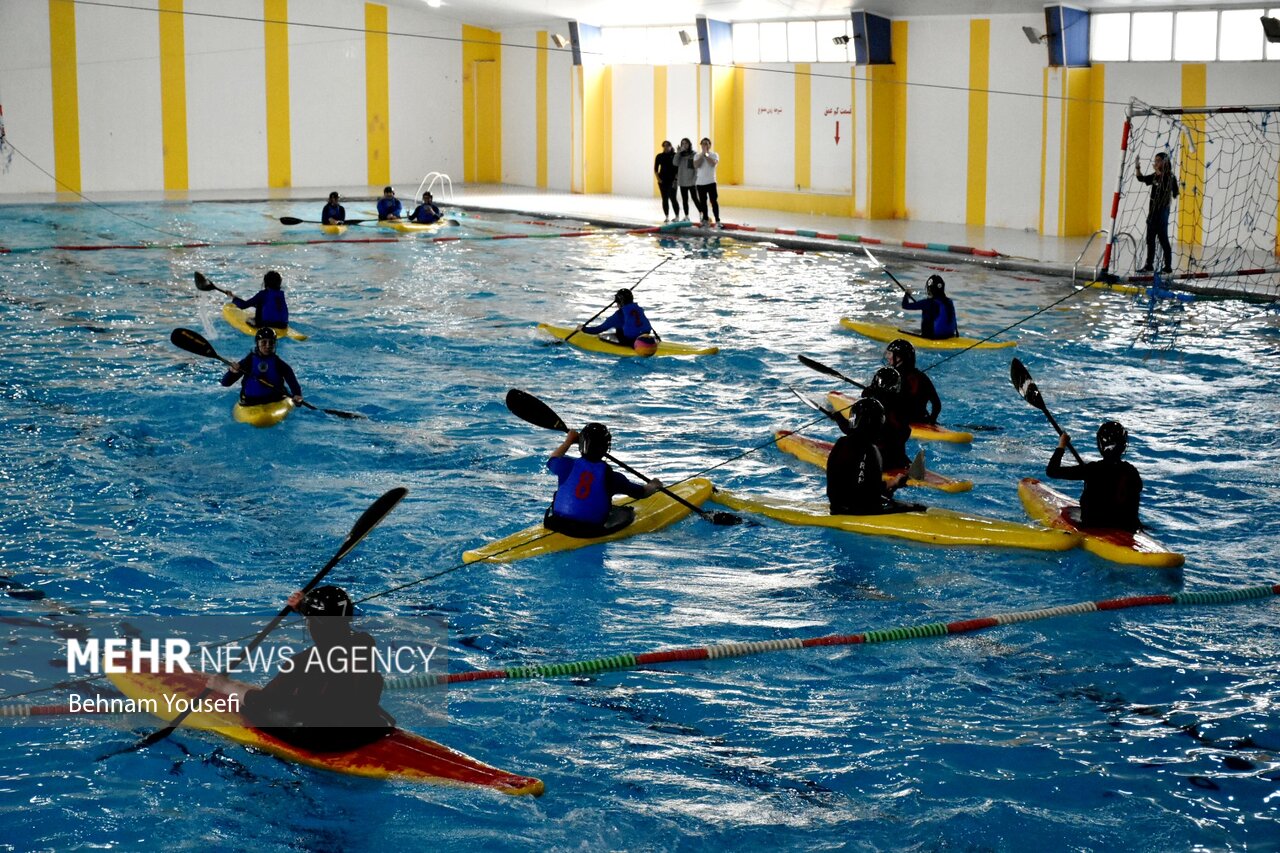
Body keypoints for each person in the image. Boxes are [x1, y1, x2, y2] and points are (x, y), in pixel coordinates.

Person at [209, 586, 395, 753]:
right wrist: (305, 606)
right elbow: (330, 625)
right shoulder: (365, 643)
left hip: (326, 740)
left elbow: (264, 701)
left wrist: (225, 686)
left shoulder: (302, 662)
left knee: (251, 708)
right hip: (368, 728)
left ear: (313, 624)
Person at [544, 422, 662, 537]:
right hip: (590, 531)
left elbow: (552, 458)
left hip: (556, 522)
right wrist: (653, 485)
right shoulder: (612, 477)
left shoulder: (566, 465)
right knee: (627, 513)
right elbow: (642, 493)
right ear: (606, 448)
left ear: (581, 445)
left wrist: (568, 441)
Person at [827, 397, 919, 516]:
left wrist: (892, 483)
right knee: (919, 508)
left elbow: (857, 486)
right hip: (860, 511)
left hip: (836, 507)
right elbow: (868, 494)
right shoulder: (870, 449)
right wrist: (894, 484)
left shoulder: (840, 443)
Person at [1046, 421, 1143, 532]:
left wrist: (1061, 445)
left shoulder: (1091, 469)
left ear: (1100, 445)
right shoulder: (1132, 471)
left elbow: (1052, 471)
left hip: (1093, 526)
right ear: (1124, 445)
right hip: (1127, 527)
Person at [221, 327, 304, 407]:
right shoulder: (248, 362)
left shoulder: (280, 364)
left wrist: (297, 397)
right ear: (257, 343)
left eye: (271, 343)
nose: (267, 346)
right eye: (264, 342)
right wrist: (231, 372)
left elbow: (295, 388)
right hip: (250, 402)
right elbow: (225, 383)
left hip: (275, 401)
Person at [1135, 152, 1179, 274]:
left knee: (1163, 239)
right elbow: (1141, 178)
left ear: (1165, 162)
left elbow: (1166, 186)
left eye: (1158, 160)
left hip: (1162, 212)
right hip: (1153, 212)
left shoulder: (1170, 176)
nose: (1156, 163)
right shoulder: (1155, 176)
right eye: (1155, 160)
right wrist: (1137, 167)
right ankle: (1149, 265)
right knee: (1150, 239)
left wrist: (1159, 173)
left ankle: (1168, 266)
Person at [860, 366, 911, 470]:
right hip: (897, 457)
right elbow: (906, 432)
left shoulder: (873, 407)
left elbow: (852, 431)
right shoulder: (901, 403)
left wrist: (838, 418)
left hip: (878, 460)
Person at [885, 339, 941, 425]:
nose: (887, 357)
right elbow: (937, 404)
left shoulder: (890, 376)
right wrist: (931, 421)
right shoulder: (923, 377)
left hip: (899, 421)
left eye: (889, 353)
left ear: (900, 357)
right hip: (922, 420)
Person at [579, 288, 656, 349]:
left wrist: (583, 329)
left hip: (633, 342)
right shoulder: (638, 308)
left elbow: (598, 329)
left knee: (619, 328)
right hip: (647, 336)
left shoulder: (618, 315)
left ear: (618, 303)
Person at [901, 275, 958, 340]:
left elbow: (905, 305)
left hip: (933, 337)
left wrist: (907, 295)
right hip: (950, 335)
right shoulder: (949, 301)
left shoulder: (927, 303)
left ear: (930, 289)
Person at [693, 137, 721, 227]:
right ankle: (705, 219)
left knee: (714, 201)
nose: (705, 145)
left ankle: (717, 220)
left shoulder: (714, 154)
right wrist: (703, 155)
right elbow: (696, 165)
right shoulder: (697, 156)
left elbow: (713, 164)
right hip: (700, 183)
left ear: (710, 145)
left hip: (711, 182)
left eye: (707, 143)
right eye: (703, 143)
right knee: (703, 202)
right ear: (701, 145)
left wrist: (706, 155)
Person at [675, 138, 700, 222]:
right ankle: (686, 216)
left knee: (695, 198)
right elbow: (675, 163)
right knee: (684, 199)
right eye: (683, 143)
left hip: (691, 181)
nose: (684, 145)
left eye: (686, 143)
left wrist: (694, 180)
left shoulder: (694, 154)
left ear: (689, 144)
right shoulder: (680, 155)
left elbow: (696, 169)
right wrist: (678, 152)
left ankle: (702, 214)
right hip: (682, 181)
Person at [654, 140, 679, 222]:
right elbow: (656, 169)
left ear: (671, 146)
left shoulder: (674, 155)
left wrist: (675, 180)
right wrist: (658, 179)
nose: (666, 147)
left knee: (673, 198)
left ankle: (677, 216)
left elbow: (677, 169)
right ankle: (667, 216)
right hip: (662, 181)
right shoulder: (659, 156)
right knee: (664, 199)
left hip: (672, 181)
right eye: (664, 145)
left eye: (668, 145)